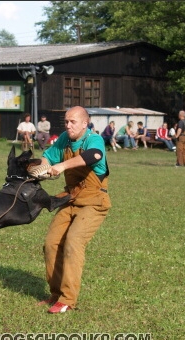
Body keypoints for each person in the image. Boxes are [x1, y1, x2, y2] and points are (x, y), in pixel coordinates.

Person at [31, 106, 111, 314]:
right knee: (51, 243)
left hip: (94, 201)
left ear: (85, 123)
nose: (68, 126)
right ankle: (56, 294)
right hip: (71, 198)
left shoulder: (93, 140)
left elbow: (94, 156)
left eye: (73, 122)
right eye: (66, 121)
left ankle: (68, 299)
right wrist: (34, 168)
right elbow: (49, 157)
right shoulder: (65, 139)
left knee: (73, 243)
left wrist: (63, 166)